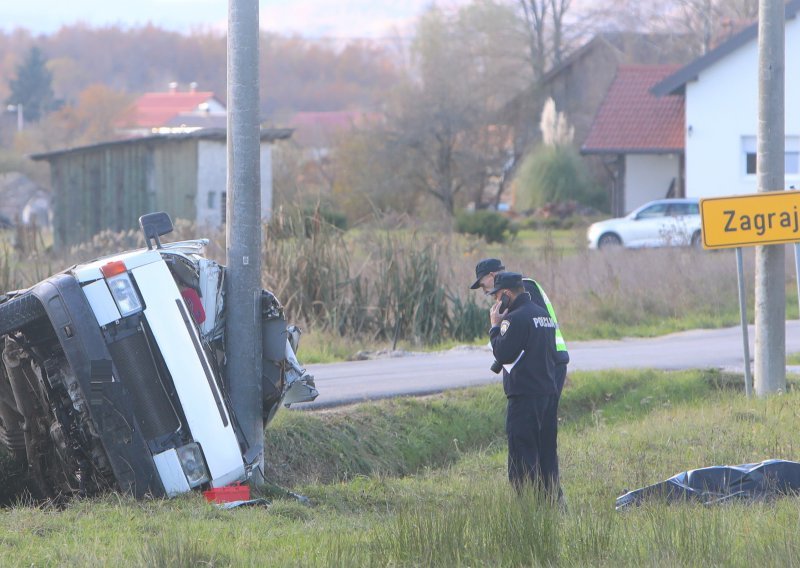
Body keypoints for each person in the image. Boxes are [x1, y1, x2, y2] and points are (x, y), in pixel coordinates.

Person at [472, 258, 568, 501]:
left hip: (543, 371)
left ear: (494, 278)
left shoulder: (525, 294)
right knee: (544, 442)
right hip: (546, 372)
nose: (487, 294)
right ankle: (551, 502)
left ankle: (534, 504)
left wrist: (496, 327)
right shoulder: (528, 297)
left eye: (486, 287)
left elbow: (515, 344)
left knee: (529, 443)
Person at [487, 271, 559, 496]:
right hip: (547, 394)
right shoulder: (543, 315)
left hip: (524, 397)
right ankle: (550, 502)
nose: (495, 302)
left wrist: (495, 327)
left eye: (497, 296)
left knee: (522, 456)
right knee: (545, 452)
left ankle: (527, 508)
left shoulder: (513, 319)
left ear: (507, 294)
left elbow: (502, 352)